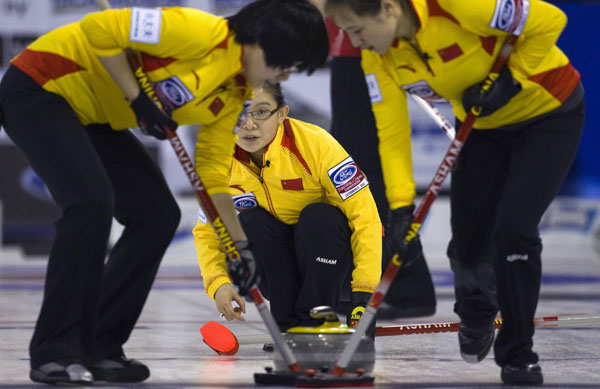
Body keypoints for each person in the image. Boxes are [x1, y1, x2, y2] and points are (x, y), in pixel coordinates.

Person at [0, 0, 328, 385]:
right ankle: (54, 351)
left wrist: (240, 248)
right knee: (90, 204)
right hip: (41, 86)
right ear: (264, 44)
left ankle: (100, 344)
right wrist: (137, 98)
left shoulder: (235, 93)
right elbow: (99, 29)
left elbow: (212, 177)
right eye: (285, 66)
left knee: (157, 214)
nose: (285, 77)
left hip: (93, 113)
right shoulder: (195, 31)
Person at [324, 0, 584, 385]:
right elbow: (392, 135)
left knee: (514, 230)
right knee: (467, 244)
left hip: (547, 114)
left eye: (357, 29)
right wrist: (399, 211)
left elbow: (550, 19)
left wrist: (512, 79)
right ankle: (477, 311)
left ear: (388, 9)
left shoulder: (456, 5)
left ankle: (518, 355)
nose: (354, 41)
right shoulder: (377, 58)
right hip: (481, 128)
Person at [193, 84, 382, 336]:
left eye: (260, 112)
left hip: (333, 263)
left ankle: (317, 318)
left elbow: (365, 218)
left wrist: (364, 293)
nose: (248, 124)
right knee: (250, 222)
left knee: (319, 217)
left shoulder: (317, 144)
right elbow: (207, 232)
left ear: (282, 114)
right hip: (274, 270)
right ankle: (286, 326)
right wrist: (218, 284)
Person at [324, 16, 436, 320]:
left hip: (362, 47)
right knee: (352, 168)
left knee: (359, 171)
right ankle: (406, 286)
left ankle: (405, 285)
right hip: (351, 44)